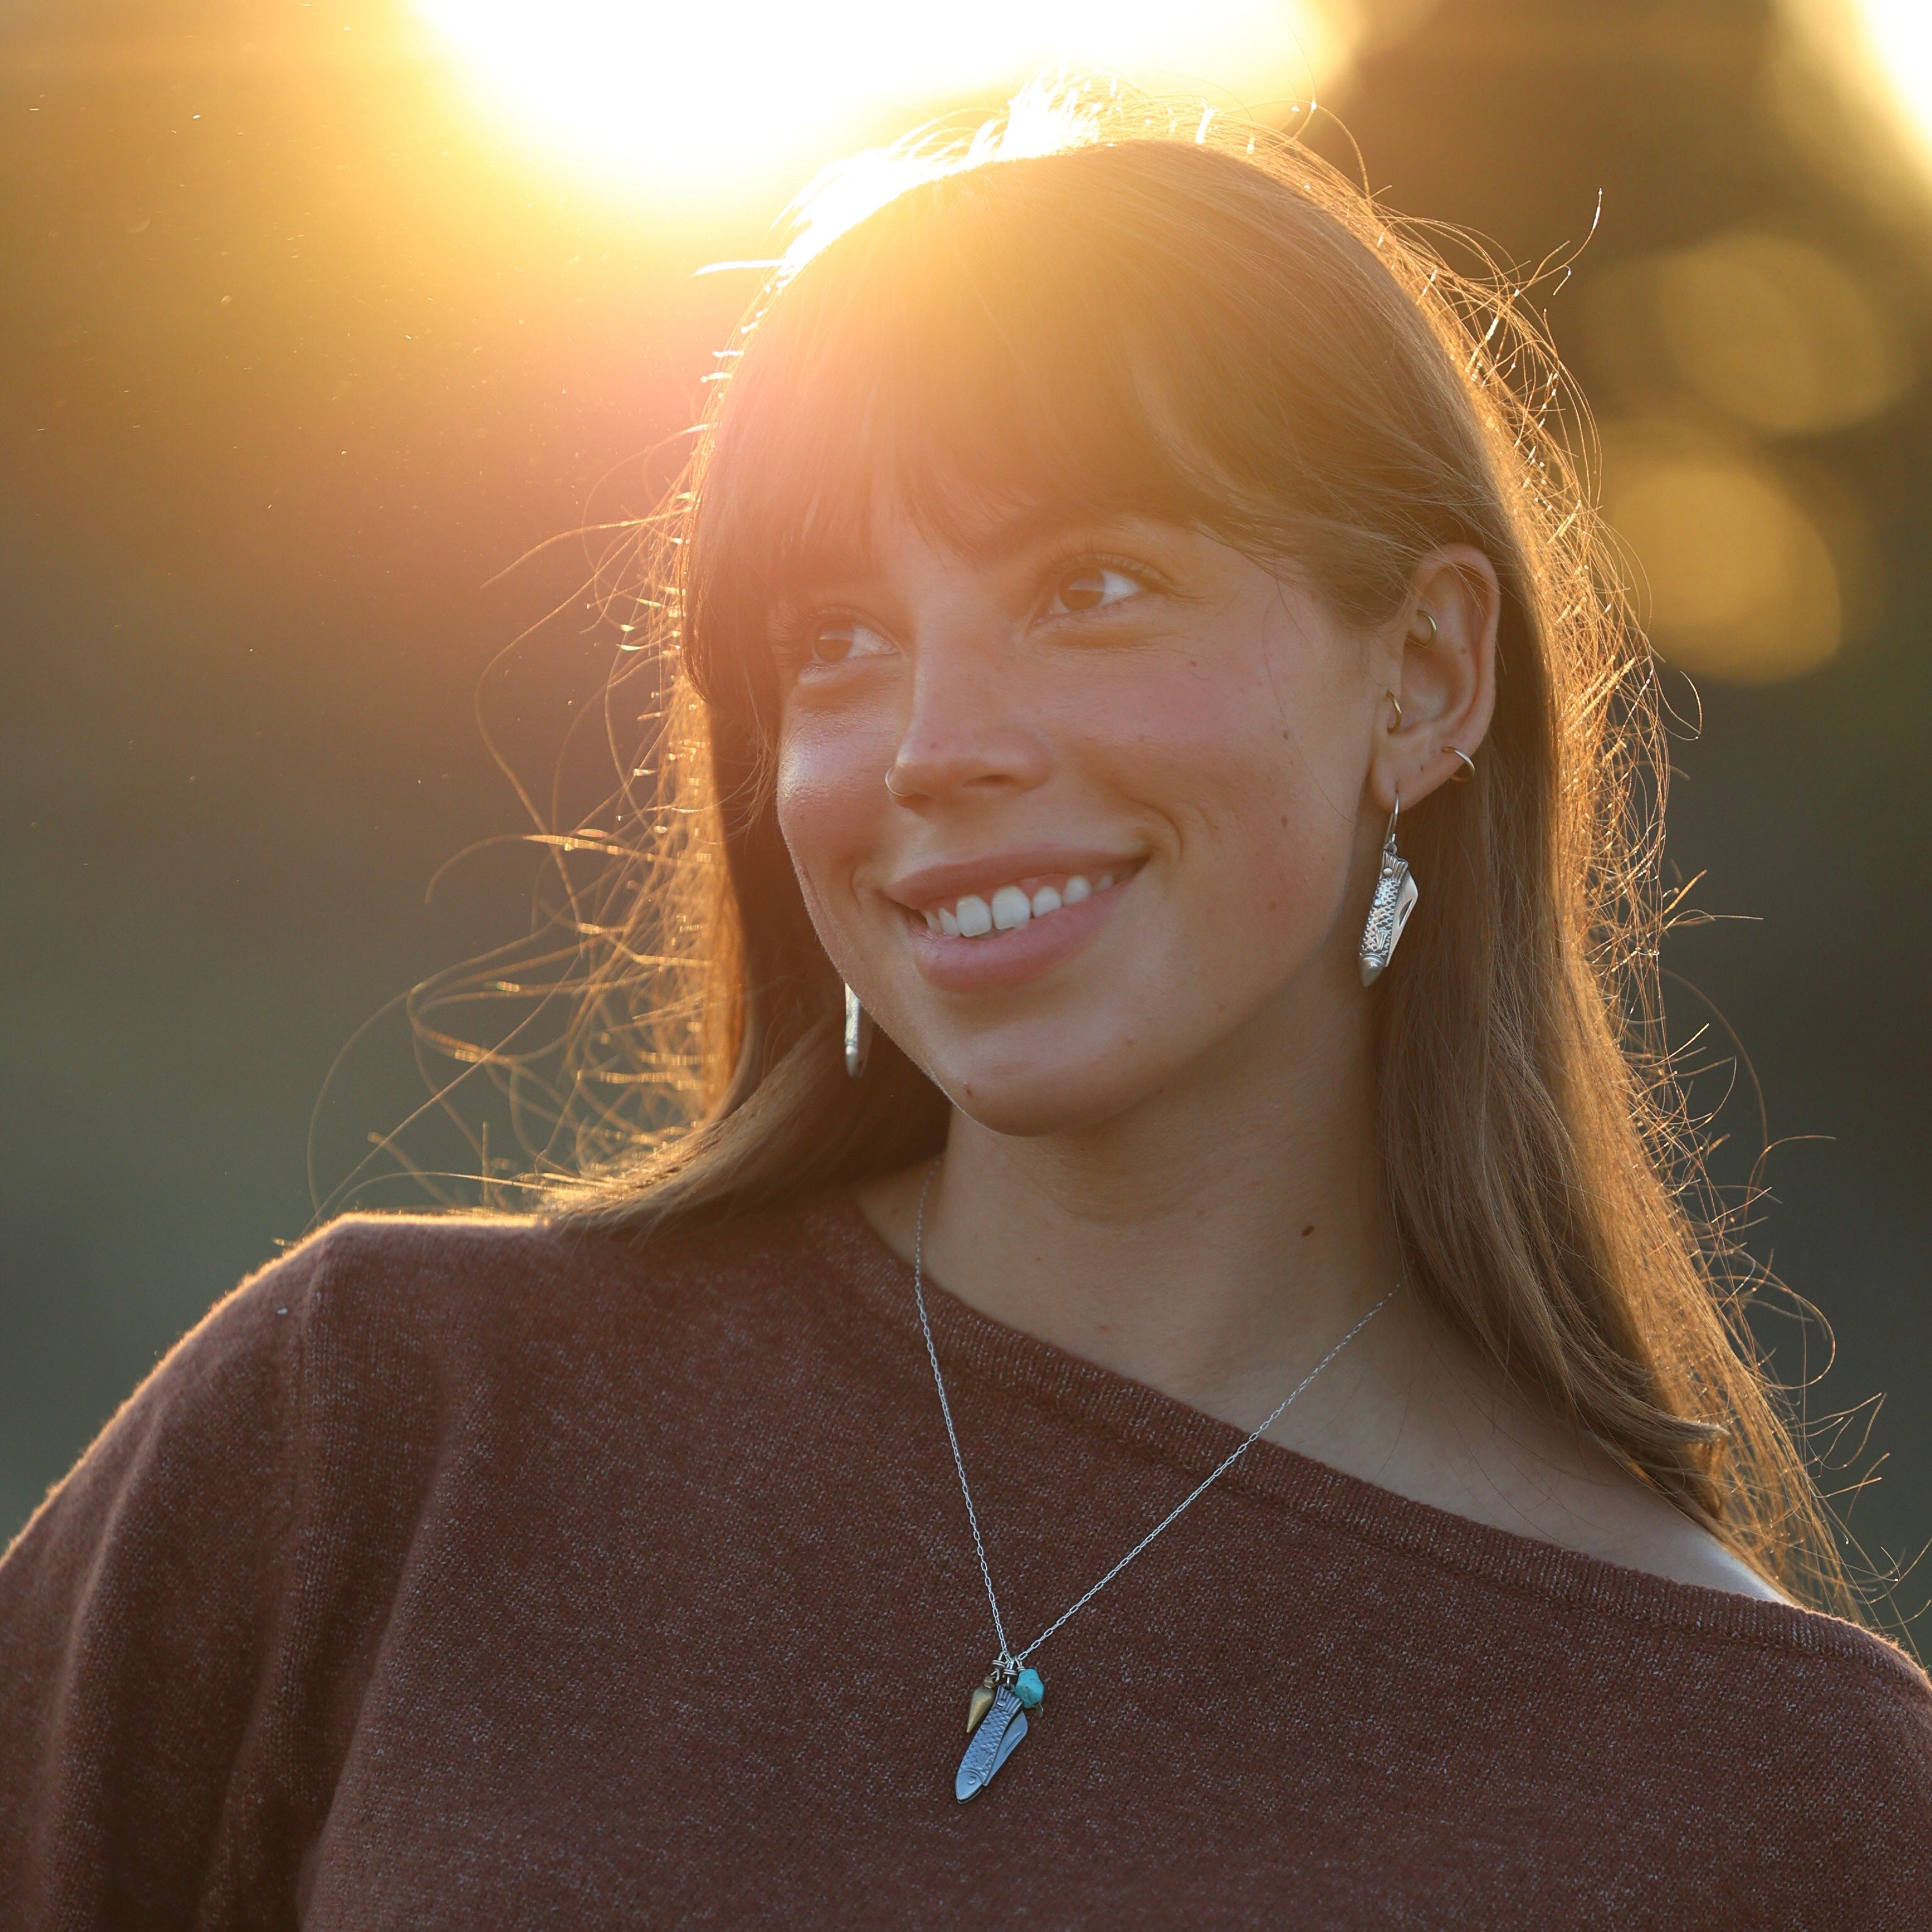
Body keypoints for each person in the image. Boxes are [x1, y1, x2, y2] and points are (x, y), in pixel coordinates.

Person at [2, 86, 1926, 1926]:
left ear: (1421, 676)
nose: (932, 749)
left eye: (1092, 586)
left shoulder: (1782, 1797)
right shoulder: (389, 1428)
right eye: (838, 641)